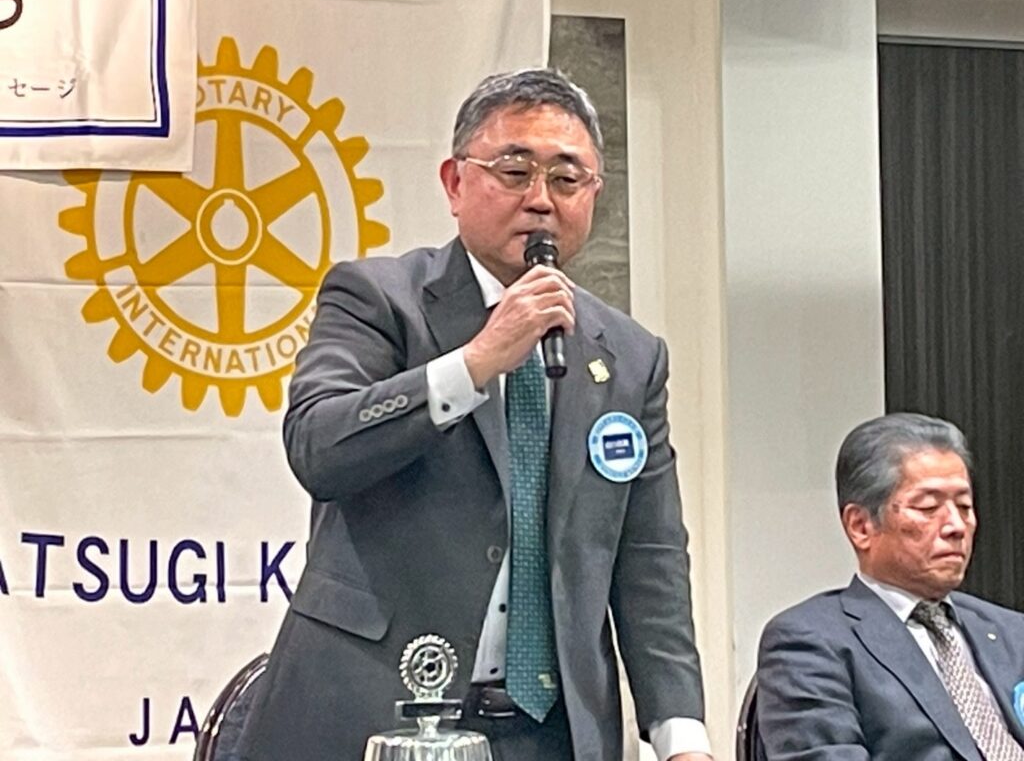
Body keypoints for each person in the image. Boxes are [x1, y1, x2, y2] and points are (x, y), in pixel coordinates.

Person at [237, 68, 711, 761]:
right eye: (515, 172)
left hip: (552, 733)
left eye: (566, 178)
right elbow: (319, 446)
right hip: (375, 715)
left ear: (594, 194)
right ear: (455, 184)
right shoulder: (379, 299)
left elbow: (650, 559)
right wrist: (476, 361)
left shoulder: (631, 357)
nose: (540, 200)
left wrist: (682, 738)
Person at [757, 412, 1024, 760]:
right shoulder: (809, 642)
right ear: (861, 526)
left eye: (964, 506)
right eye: (928, 507)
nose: (956, 526)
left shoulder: (1013, 632)